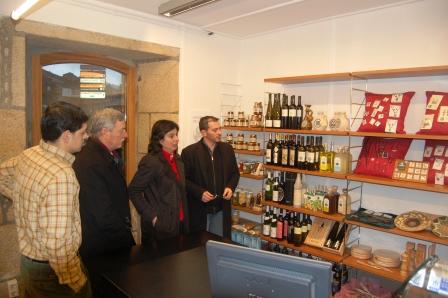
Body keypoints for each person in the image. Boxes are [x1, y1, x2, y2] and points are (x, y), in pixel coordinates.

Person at [0, 101, 90, 297]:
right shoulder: (62, 175)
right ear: (67, 136)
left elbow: (2, 174)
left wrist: (24, 199)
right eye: (83, 133)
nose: (87, 137)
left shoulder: (29, 154)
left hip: (28, 265)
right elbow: (58, 245)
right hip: (52, 274)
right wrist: (77, 282)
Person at [72, 108, 134, 297]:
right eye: (121, 130)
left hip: (109, 242)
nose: (126, 134)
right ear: (105, 132)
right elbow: (101, 212)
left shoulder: (106, 154)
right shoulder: (90, 161)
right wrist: (125, 237)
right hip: (103, 245)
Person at [128, 120, 189, 244]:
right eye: (171, 136)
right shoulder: (151, 162)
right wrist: (152, 217)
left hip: (180, 223)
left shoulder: (178, 159)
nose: (176, 139)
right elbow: (133, 190)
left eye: (177, 135)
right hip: (160, 228)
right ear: (160, 140)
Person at [181, 116, 240, 238]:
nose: (219, 132)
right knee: (198, 246)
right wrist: (199, 192)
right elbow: (183, 180)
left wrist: (230, 187)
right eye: (215, 130)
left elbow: (235, 173)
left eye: (220, 129)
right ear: (203, 132)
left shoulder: (227, 149)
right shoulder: (189, 152)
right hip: (199, 208)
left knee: (218, 244)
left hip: (221, 208)